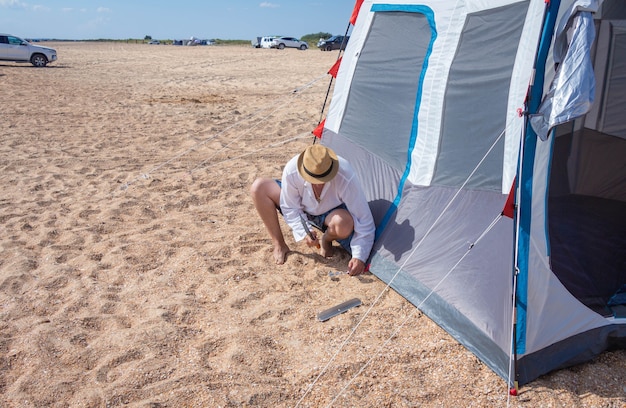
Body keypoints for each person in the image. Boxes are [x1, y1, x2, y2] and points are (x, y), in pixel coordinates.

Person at [250, 144, 375, 275]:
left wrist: (359, 257)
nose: (318, 183)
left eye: (323, 179)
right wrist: (305, 232)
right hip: (302, 206)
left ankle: (327, 239)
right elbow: (290, 207)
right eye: (313, 179)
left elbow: (364, 219)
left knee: (343, 224)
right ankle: (279, 244)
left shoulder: (345, 173)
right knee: (259, 187)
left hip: (331, 212)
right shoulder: (292, 169)